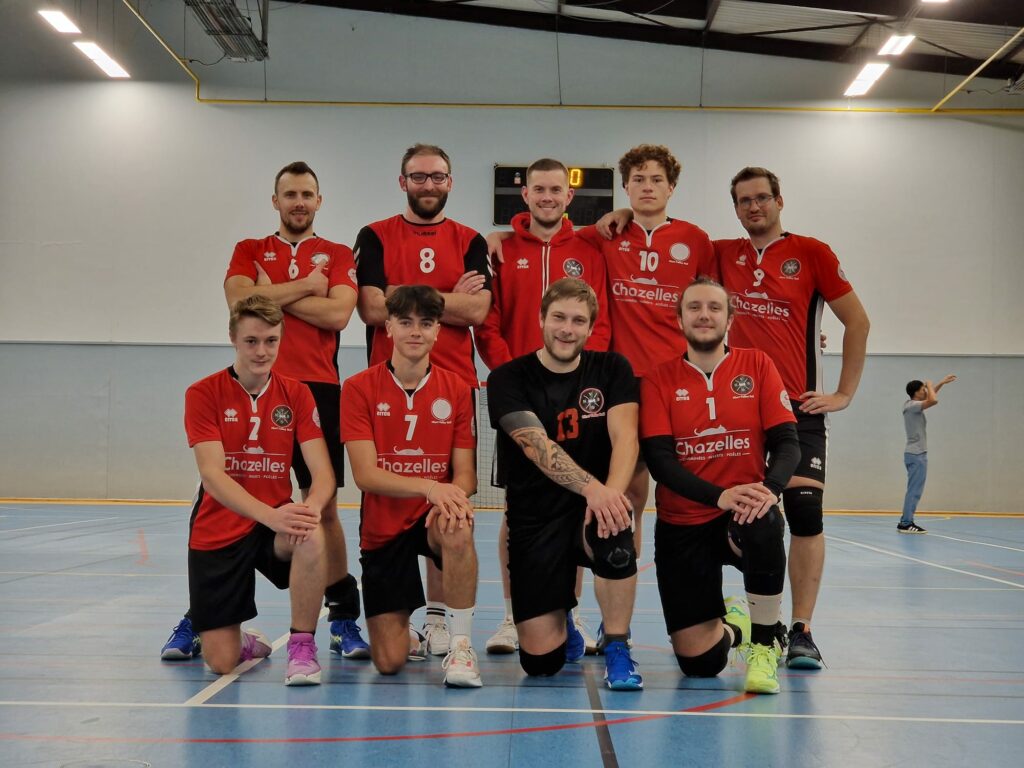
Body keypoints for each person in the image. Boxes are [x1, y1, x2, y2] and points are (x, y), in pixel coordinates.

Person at [162, 162, 368, 662]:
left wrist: (268, 292)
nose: (299, 201)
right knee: (221, 502)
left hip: (315, 388)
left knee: (323, 507)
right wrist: (304, 287)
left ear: (320, 201)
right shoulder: (250, 249)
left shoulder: (338, 254)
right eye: (290, 193)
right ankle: (202, 615)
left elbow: (339, 313)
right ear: (275, 201)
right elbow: (240, 302)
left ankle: (341, 617)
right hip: (252, 383)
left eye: (307, 194)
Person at [713, 167, 870, 669]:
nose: (754, 207)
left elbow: (857, 321)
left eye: (762, 198)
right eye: (744, 201)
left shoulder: (813, 253)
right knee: (735, 517)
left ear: (780, 200)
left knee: (804, 512)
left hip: (796, 409)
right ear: (735, 208)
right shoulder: (720, 254)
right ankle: (748, 612)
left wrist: (843, 393)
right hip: (736, 410)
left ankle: (800, 629)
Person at [355, 143, 492, 656]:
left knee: (449, 505)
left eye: (437, 177)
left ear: (451, 182)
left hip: (451, 385)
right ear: (402, 181)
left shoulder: (470, 238)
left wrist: (406, 295)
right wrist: (442, 295)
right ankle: (395, 612)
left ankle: (440, 622)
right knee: (388, 500)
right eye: (418, 177)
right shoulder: (375, 235)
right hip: (387, 387)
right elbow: (370, 307)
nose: (428, 185)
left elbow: (478, 308)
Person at [476, 158, 611, 657]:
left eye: (557, 189)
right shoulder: (502, 250)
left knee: (574, 505)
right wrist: (514, 377)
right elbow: (487, 322)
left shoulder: (591, 248)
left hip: (578, 399)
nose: (549, 197)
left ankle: (565, 614)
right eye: (540, 189)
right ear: (525, 195)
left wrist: (583, 378)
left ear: (569, 196)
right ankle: (514, 617)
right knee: (517, 511)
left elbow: (601, 320)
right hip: (520, 399)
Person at [640, 277, 801, 694]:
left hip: (740, 516)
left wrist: (770, 489)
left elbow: (787, 443)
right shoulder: (658, 379)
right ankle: (738, 627)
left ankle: (764, 648)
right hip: (683, 522)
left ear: (730, 318)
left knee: (765, 520)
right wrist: (718, 495)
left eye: (714, 307)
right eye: (694, 307)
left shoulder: (758, 365)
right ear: (679, 320)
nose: (704, 315)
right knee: (700, 664)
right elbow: (660, 461)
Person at [487, 278, 643, 690]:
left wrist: (609, 495)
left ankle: (617, 645)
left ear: (591, 328)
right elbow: (537, 446)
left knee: (615, 533)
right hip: (535, 518)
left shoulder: (612, 369)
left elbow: (626, 437)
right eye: (558, 317)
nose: (566, 329)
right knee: (541, 664)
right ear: (541, 319)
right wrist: (594, 488)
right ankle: (564, 623)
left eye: (578, 320)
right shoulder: (507, 378)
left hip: (591, 511)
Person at [183, 295, 331, 685]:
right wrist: (271, 514)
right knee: (221, 662)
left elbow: (323, 474)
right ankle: (242, 640)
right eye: (251, 341)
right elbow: (213, 475)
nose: (262, 351)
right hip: (219, 527)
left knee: (310, 532)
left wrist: (310, 507)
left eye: (270, 340)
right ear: (233, 338)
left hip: (274, 527)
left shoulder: (297, 393)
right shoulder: (203, 393)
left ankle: (302, 647)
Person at [341, 285, 483, 688]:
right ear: (388, 327)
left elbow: (466, 475)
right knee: (389, 663)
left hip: (432, 518)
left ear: (439, 331)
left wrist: (450, 497)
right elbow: (365, 475)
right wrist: (429, 487)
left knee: (457, 524)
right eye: (405, 322)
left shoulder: (456, 389)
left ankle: (460, 647)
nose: (415, 332)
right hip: (383, 530)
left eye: (426, 323)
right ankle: (410, 634)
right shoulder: (358, 388)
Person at [900, 375, 956, 533]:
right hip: (916, 455)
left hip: (915, 454)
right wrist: (930, 384)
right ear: (917, 392)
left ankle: (906, 521)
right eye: (923, 389)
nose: (926, 391)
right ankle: (906, 523)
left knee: (914, 489)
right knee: (914, 490)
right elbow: (933, 400)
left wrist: (940, 384)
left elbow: (930, 397)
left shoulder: (911, 405)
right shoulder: (912, 406)